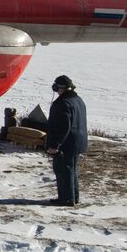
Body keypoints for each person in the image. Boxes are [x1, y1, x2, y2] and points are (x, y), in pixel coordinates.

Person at [45, 74, 88, 206]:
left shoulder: (62, 103)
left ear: (58, 87)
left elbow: (63, 127)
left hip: (67, 143)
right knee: (71, 170)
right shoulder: (78, 100)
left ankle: (66, 199)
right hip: (78, 142)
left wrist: (55, 145)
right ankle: (73, 197)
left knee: (63, 170)